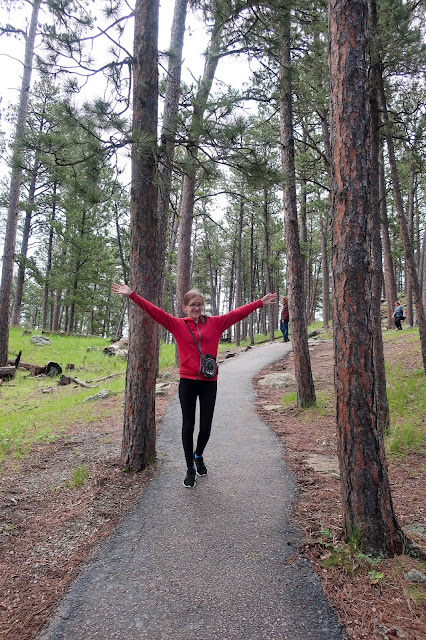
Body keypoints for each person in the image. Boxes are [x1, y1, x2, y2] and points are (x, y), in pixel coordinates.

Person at [112, 283, 277, 488]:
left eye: (199, 304)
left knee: (206, 426)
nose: (196, 308)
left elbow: (237, 314)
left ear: (202, 306)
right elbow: (155, 312)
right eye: (192, 305)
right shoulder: (177, 324)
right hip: (188, 382)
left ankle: (198, 455)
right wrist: (132, 295)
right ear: (185, 307)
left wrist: (260, 303)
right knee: (188, 425)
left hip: (209, 382)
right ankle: (189, 467)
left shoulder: (215, 323)